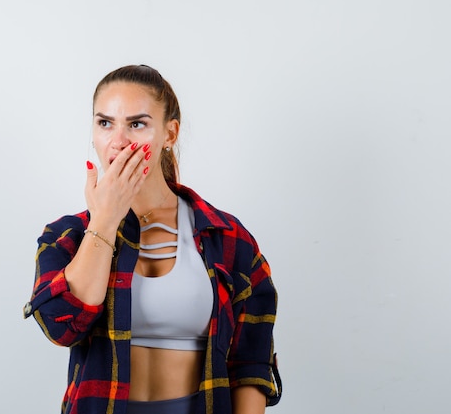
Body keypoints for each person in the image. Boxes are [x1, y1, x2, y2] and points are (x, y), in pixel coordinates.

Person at [23, 64, 281, 414]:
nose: (118, 140)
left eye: (137, 124)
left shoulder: (227, 238)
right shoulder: (67, 236)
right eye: (105, 123)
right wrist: (106, 218)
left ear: (170, 134)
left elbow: (250, 363)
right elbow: (62, 327)